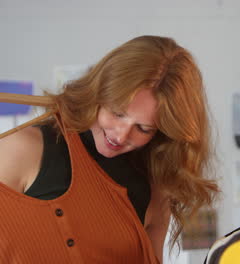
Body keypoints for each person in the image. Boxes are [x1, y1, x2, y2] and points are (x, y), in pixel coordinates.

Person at [0, 35, 219, 263]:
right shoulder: (24, 150)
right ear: (98, 93)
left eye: (143, 128)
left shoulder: (154, 188)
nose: (121, 135)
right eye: (117, 113)